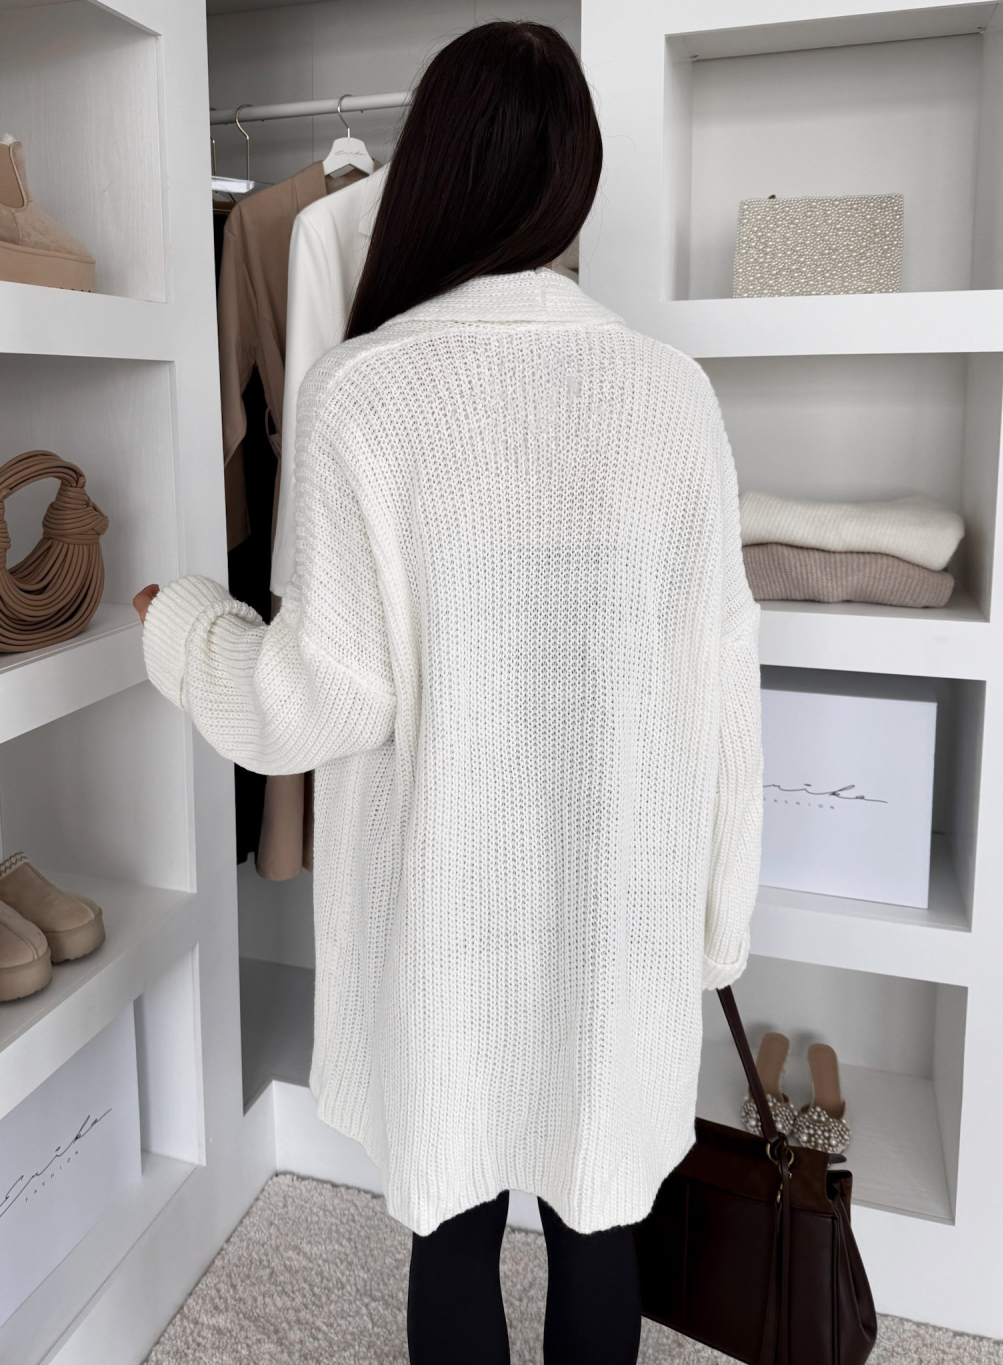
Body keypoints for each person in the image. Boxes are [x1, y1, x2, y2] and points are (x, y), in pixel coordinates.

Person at [134, 20, 761, 1365]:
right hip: (619, 915)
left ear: (431, 169)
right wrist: (716, 926)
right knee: (602, 1229)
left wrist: (180, 627)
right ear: (574, 179)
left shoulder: (365, 395)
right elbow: (725, 694)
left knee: (455, 1230)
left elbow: (311, 703)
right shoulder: (674, 397)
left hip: (444, 923)